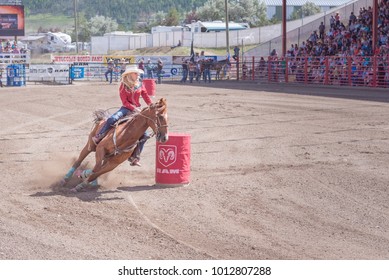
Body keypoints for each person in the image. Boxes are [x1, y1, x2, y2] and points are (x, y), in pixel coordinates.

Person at [92, 65, 153, 167]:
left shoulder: (140, 85)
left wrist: (151, 106)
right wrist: (134, 108)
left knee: (145, 135)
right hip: (126, 109)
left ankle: (135, 156)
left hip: (137, 110)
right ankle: (100, 135)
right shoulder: (123, 86)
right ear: (130, 75)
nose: (137, 75)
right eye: (135, 73)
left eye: (137, 73)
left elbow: (146, 96)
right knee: (112, 119)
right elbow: (125, 102)